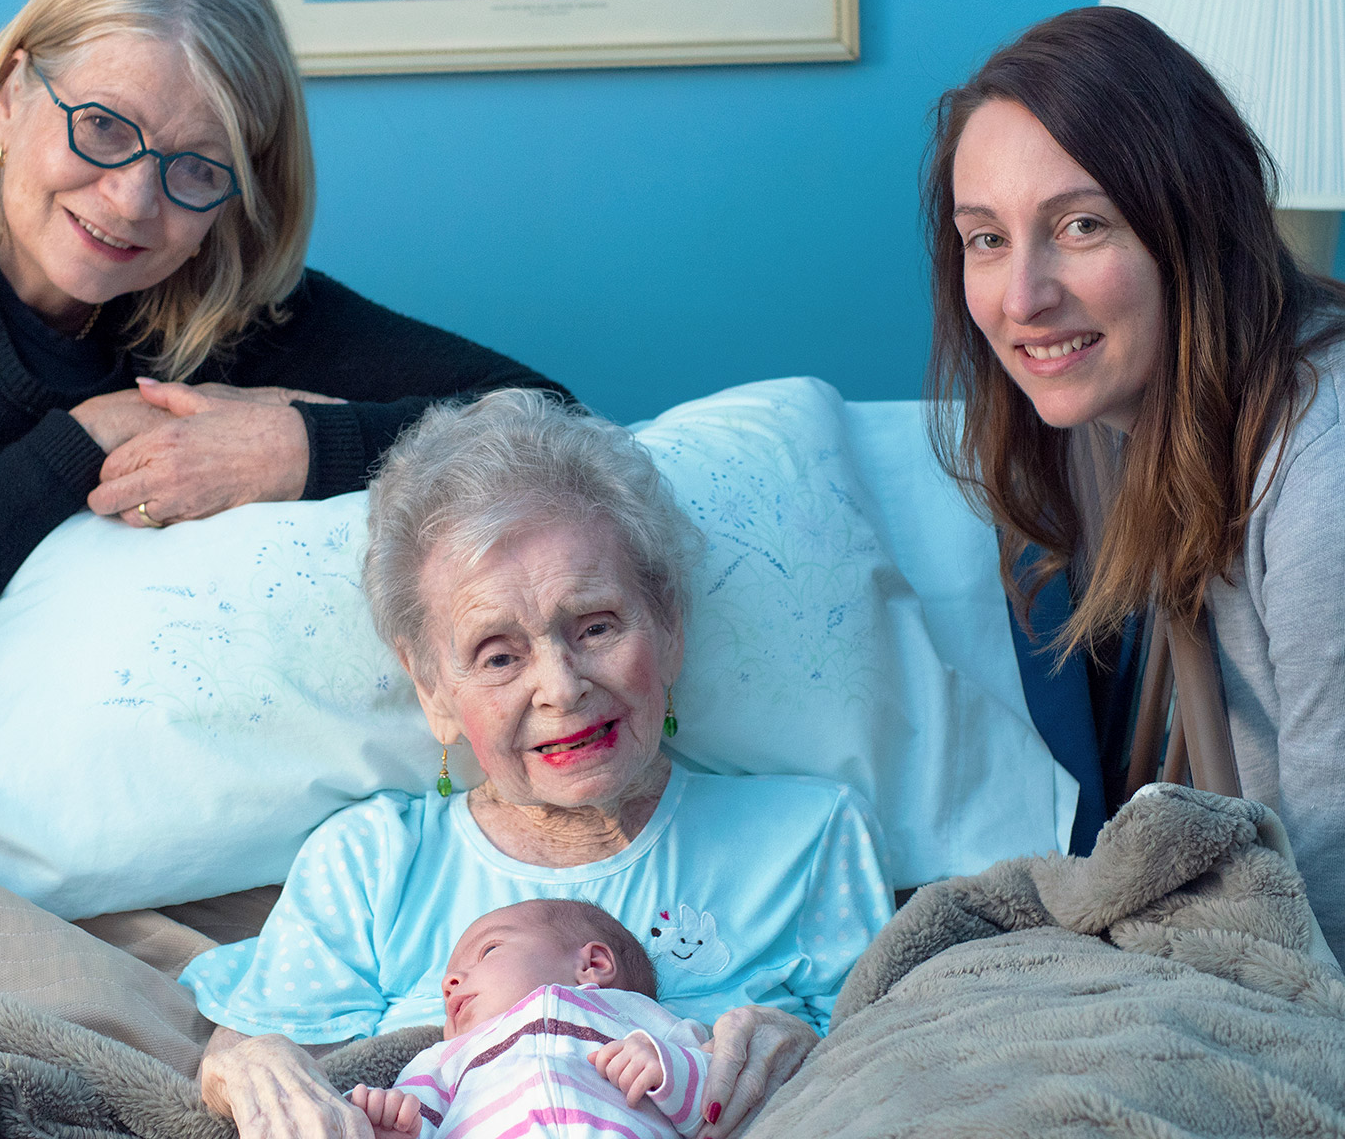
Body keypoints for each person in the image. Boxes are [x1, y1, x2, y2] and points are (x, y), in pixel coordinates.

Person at [0, 0, 567, 738]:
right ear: (13, 94)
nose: (131, 202)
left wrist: (300, 446)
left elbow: (550, 420)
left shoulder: (207, 284)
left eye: (196, 167)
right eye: (101, 126)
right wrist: (87, 439)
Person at [182, 388, 895, 1139]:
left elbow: (899, 1054)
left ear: (669, 626)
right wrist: (246, 1063)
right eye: (498, 655)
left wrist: (807, 1046)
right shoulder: (371, 865)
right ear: (434, 691)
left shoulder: (812, 837)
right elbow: (260, 1048)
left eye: (595, 626)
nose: (561, 687)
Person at [922, 6, 1345, 959]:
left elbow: (1336, 896)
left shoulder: (1323, 475)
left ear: (1191, 221)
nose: (1022, 299)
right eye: (985, 238)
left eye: (1080, 225)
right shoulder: (1105, 421)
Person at [346, 900, 713, 1139]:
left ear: (592, 965)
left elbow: (719, 1095)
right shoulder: (445, 1057)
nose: (449, 983)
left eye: (488, 950)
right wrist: (384, 1123)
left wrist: (667, 1068)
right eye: (449, 978)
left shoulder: (636, 1020)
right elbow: (410, 1117)